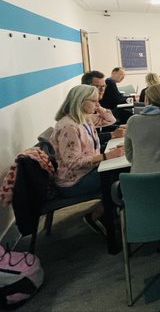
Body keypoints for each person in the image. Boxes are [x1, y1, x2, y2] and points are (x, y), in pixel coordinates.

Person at [50, 85, 125, 235]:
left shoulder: (84, 119)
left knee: (120, 173)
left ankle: (111, 213)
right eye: (94, 101)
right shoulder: (69, 126)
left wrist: (99, 107)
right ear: (81, 101)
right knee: (122, 178)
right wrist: (105, 156)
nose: (97, 104)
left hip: (88, 171)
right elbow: (73, 162)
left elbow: (111, 119)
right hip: (74, 181)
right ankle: (97, 216)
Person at [81, 71, 125, 146]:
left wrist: (118, 127)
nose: (102, 90)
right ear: (86, 87)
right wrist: (112, 134)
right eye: (98, 86)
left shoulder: (96, 104)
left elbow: (101, 126)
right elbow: (85, 139)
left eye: (104, 86)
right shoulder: (84, 108)